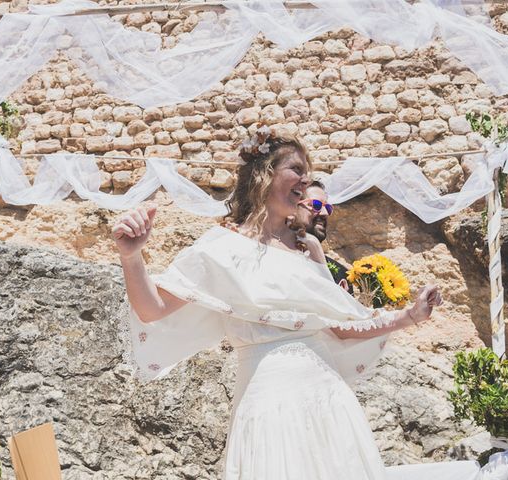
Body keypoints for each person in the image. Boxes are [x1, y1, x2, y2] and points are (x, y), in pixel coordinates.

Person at [112, 128, 442, 479]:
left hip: (327, 398)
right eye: (297, 169)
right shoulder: (222, 247)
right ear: (265, 175)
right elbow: (152, 310)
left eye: (307, 173)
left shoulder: (308, 249)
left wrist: (409, 316)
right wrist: (131, 256)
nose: (306, 180)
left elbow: (341, 327)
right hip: (269, 401)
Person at [296, 179, 352, 293]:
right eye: (316, 205)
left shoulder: (342, 274)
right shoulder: (272, 256)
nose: (325, 213)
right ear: (292, 206)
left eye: (328, 207)